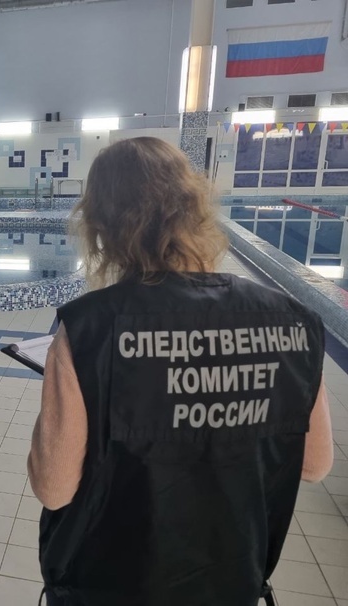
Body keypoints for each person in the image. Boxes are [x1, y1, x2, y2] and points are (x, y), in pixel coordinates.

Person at [28, 137, 333, 606]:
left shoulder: (88, 330)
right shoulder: (293, 322)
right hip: (230, 577)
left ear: (102, 225)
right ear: (194, 207)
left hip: (110, 582)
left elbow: (54, 488)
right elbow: (314, 465)